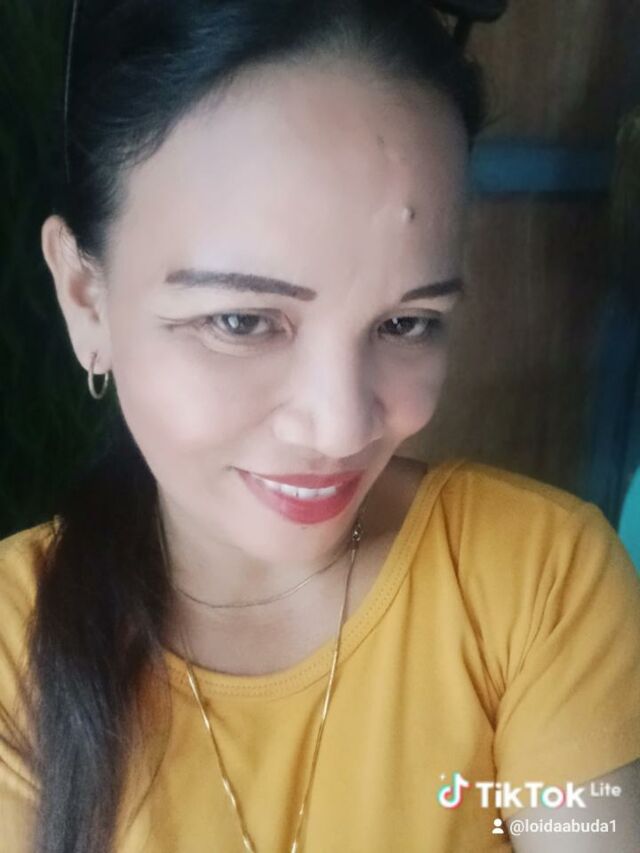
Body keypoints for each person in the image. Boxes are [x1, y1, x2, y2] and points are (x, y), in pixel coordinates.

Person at [0, 2, 638, 851]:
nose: (340, 429)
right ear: (86, 298)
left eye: (407, 323)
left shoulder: (537, 586)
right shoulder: (13, 651)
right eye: (241, 321)